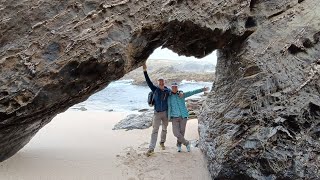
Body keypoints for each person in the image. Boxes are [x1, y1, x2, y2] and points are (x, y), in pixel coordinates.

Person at [168, 82, 208, 152]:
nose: (174, 88)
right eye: (173, 87)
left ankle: (179, 145)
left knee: (182, 132)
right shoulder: (169, 96)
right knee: (176, 133)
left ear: (177, 88)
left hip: (183, 116)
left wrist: (202, 89)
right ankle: (186, 143)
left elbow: (192, 92)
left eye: (176, 87)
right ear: (171, 88)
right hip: (174, 117)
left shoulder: (182, 95)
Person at [143, 63, 171, 156]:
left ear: (164, 82)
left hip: (165, 113)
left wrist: (181, 93)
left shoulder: (168, 91)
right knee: (155, 130)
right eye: (159, 81)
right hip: (157, 113)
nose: (161, 82)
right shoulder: (155, 89)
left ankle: (162, 143)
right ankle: (151, 149)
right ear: (158, 82)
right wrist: (145, 71)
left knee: (164, 129)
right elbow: (148, 82)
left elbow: (176, 93)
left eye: (162, 81)